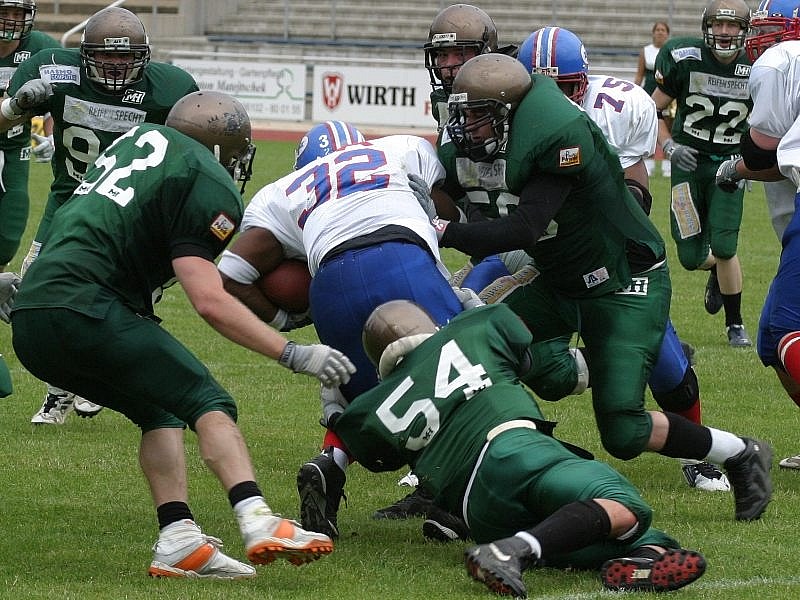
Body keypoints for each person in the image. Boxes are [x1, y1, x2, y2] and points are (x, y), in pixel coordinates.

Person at [411, 52, 773, 523]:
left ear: (509, 114)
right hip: (560, 280)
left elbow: (523, 227)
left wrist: (443, 230)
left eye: (480, 115)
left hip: (624, 281)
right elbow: (463, 196)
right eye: (465, 115)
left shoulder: (556, 134)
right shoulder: (489, 142)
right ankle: (470, 484)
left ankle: (740, 452)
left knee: (623, 431)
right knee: (478, 349)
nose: (468, 128)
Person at [9, 90, 355, 578]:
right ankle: (258, 519)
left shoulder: (132, 145)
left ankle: (179, 538)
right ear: (220, 149)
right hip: (87, 307)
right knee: (209, 400)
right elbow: (208, 299)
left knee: (160, 409)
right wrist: (291, 351)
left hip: (30, 317)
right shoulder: (206, 179)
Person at [335, 299, 707, 598]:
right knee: (626, 504)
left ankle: (643, 557)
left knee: (609, 532)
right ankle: (510, 551)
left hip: (477, 511)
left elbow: (378, 455)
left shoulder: (371, 410)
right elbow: (525, 355)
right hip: (513, 450)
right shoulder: (474, 327)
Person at [217, 127, 465, 540]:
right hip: (402, 258)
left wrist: (284, 319)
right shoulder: (403, 147)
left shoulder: (281, 192)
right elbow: (452, 214)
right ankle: (453, 504)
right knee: (458, 373)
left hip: (332, 284)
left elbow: (230, 274)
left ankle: (331, 461)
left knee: (350, 394)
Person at [518, 25, 730, 492]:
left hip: (610, 260)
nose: (553, 99)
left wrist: (613, 217)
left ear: (583, 81)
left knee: (670, 371)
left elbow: (636, 185)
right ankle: (449, 466)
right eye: (540, 87)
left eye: (565, 87)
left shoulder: (616, 108)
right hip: (534, 254)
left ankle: (697, 454)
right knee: (478, 336)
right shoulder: (504, 117)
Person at [0, 5, 199, 424]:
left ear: (144, 57)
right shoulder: (54, 70)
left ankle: (100, 383)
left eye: (125, 56)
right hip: (70, 199)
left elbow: (190, 153)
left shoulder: (170, 88)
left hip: (133, 208)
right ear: (84, 55)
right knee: (38, 292)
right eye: (106, 55)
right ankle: (59, 390)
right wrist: (15, 107)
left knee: (123, 302)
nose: (115, 64)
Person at [715, 0, 800, 469]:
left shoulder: (782, 59)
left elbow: (761, 153)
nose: (759, 38)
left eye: (772, 28)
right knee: (770, 335)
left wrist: (735, 168)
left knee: (786, 328)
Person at [651, 0, 754, 348]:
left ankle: (735, 324)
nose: (724, 32)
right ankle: (713, 271)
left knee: (725, 246)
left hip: (729, 165)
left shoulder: (757, 65)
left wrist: (749, 162)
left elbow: (767, 121)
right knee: (689, 256)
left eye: (732, 25)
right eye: (718, 24)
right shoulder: (684, 57)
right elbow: (651, 109)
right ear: (706, 27)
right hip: (687, 162)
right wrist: (670, 147)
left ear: (744, 30)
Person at [0, 0, 59, 272]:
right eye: (4, 12)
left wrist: (51, 134)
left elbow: (62, 96)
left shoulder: (41, 48)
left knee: (8, 234)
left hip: (14, 146)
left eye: (18, 13)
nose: (11, 19)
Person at [635, 21, 672, 177]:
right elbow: (639, 75)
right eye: (657, 29)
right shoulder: (645, 51)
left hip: (667, 93)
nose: (660, 32)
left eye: (663, 30)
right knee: (648, 128)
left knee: (667, 127)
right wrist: (634, 91)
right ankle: (648, 162)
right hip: (649, 93)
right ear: (653, 33)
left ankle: (667, 164)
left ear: (667, 34)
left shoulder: (671, 51)